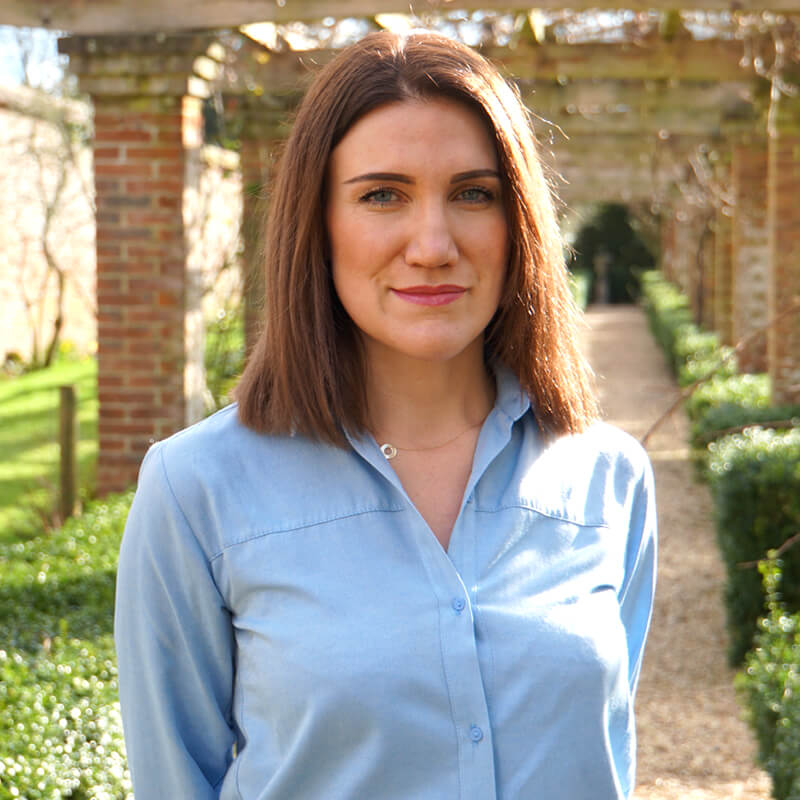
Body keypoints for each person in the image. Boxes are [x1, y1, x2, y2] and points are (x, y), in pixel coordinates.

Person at [114, 29, 657, 800]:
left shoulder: (609, 478)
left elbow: (603, 750)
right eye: (382, 195)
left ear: (520, 228)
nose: (432, 244)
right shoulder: (195, 489)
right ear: (318, 225)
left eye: (474, 194)